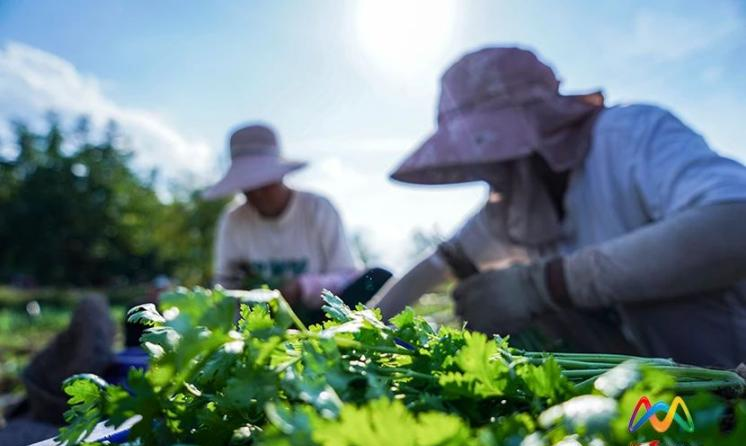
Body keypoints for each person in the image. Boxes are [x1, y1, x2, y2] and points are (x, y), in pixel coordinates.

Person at [369, 47, 746, 368]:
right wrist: (362, 329)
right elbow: (437, 265)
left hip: (725, 365)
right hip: (637, 404)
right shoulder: (515, 204)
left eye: (495, 149)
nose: (489, 171)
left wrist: (545, 285)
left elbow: (734, 223)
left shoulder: (629, 135)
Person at [204, 123, 390, 321]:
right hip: (267, 321)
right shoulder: (234, 220)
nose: (257, 193)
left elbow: (346, 276)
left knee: (378, 277)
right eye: (249, 186)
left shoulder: (317, 208)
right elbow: (226, 287)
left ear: (280, 175)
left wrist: (302, 288)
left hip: (325, 315)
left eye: (264, 183)